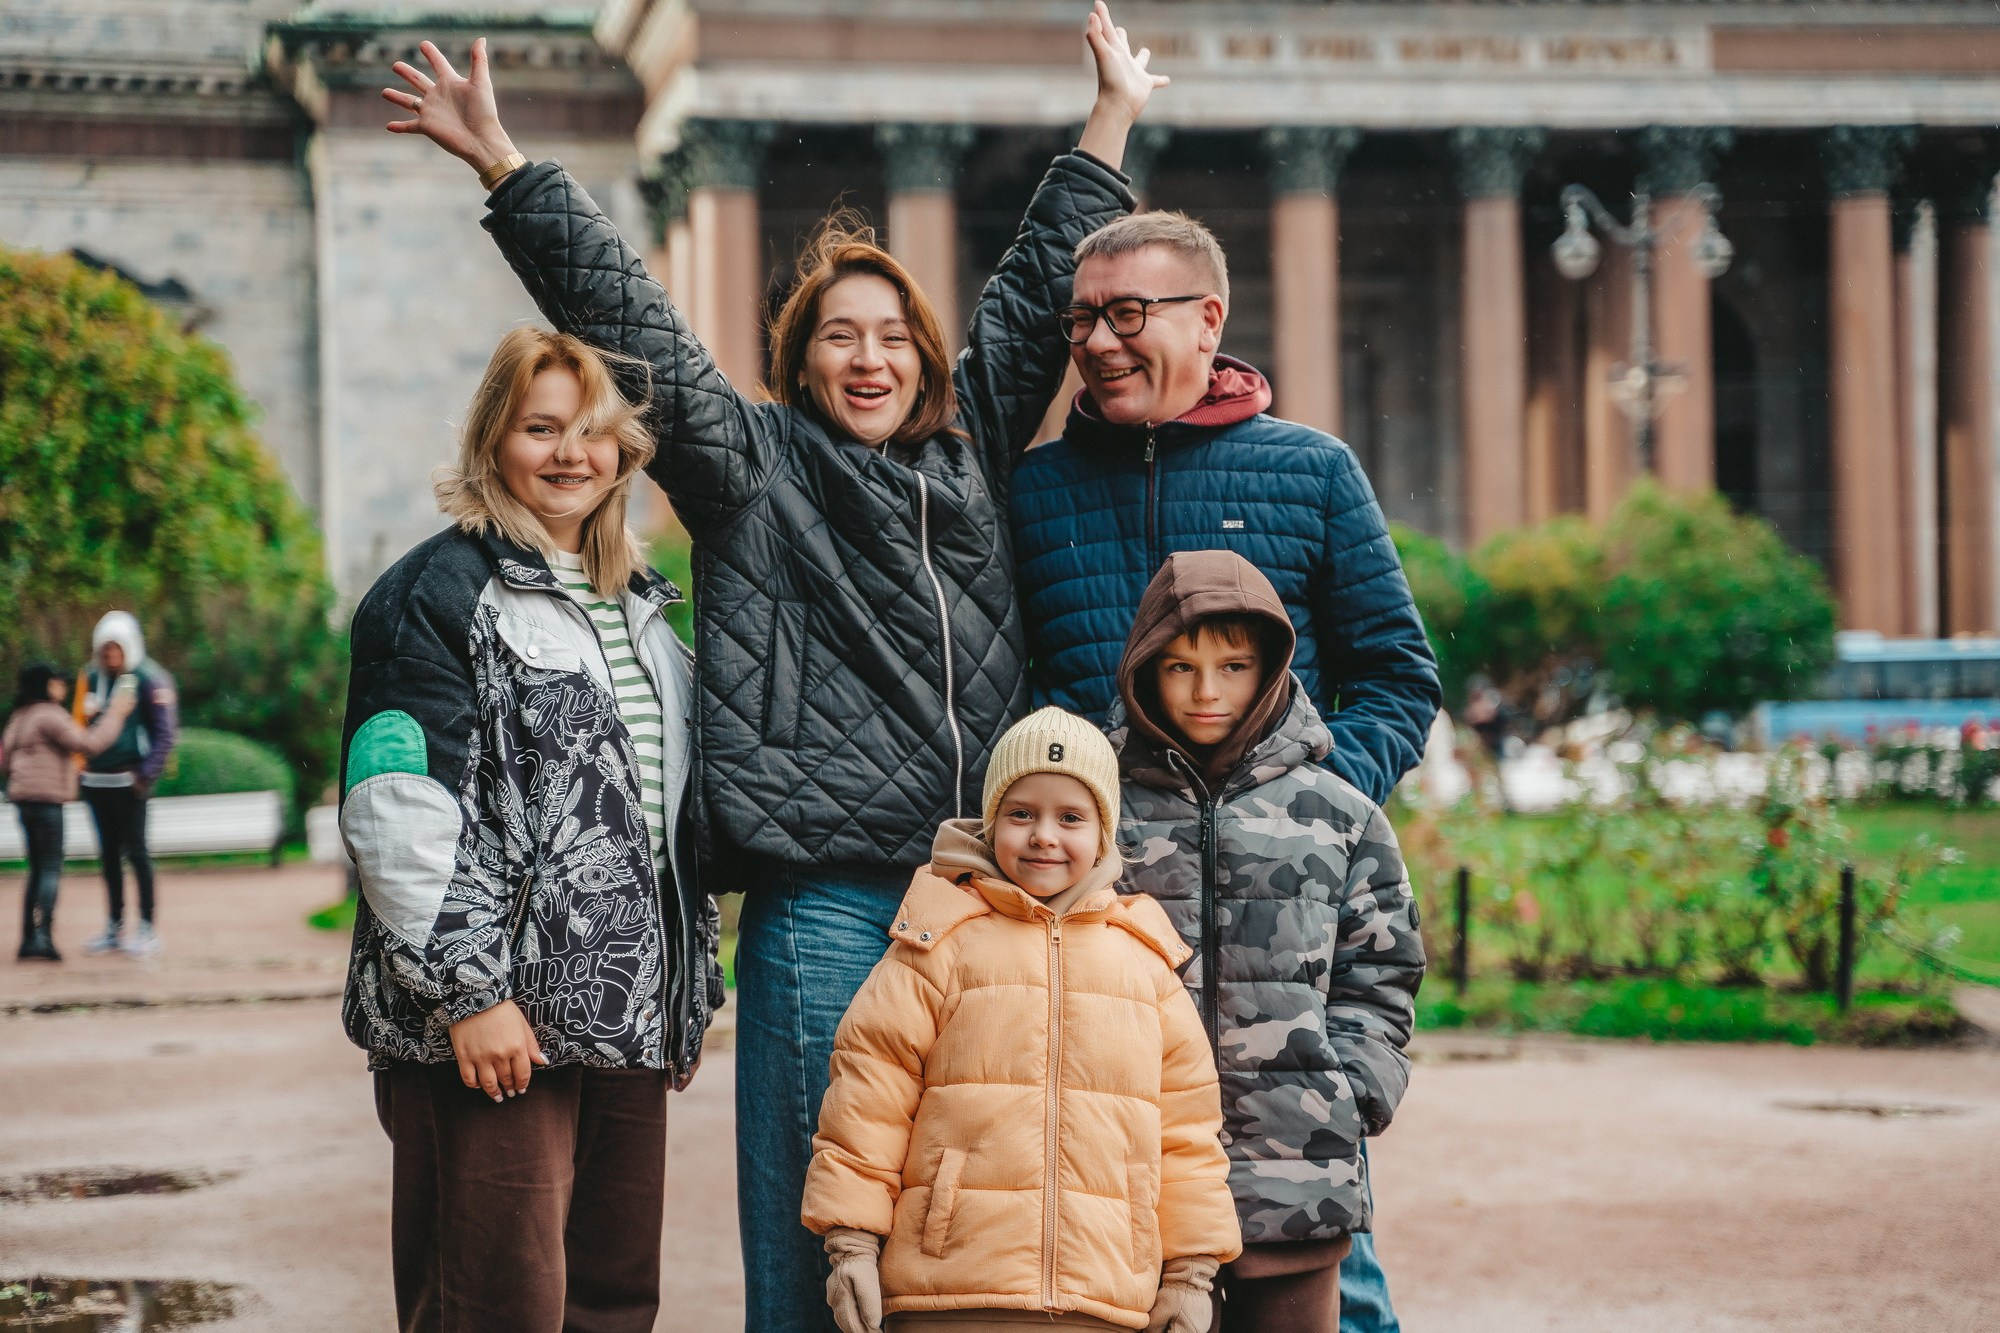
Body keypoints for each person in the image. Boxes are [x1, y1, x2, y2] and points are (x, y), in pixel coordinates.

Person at [381, 6, 1163, 1325]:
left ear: (925, 354)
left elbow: (1034, 284)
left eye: (891, 336)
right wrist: (505, 167)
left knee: (946, 1218)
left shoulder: (966, 456)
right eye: (838, 337)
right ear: (800, 362)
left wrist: (1113, 115)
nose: (869, 358)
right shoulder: (750, 471)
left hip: (973, 891)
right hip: (826, 902)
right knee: (813, 1225)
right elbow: (624, 315)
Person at [1010, 211, 1441, 1330]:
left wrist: (1311, 812)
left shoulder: (1308, 470)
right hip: (1103, 967)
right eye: (1082, 317)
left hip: (1273, 992)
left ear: (1209, 321)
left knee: (1318, 1275)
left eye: (1127, 312)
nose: (1098, 340)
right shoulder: (1035, 488)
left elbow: (1396, 672)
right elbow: (1007, 697)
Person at [338, 327, 715, 1333]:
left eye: (591, 432)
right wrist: (472, 993)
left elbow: (658, 818)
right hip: (494, 1025)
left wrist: (685, 988)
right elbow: (398, 808)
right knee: (494, 1304)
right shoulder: (439, 593)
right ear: (490, 441)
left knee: (611, 1300)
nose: (568, 454)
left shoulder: (634, 603)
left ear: (623, 452)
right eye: (539, 427)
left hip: (621, 1020)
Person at [803, 707, 1241, 1333]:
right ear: (990, 822)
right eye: (1021, 813)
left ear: (1103, 833)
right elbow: (868, 1097)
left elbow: (1188, 1136)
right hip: (949, 1289)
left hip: (1104, 1295)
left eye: (1070, 817)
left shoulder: (1145, 964)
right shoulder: (938, 942)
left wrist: (1191, 1274)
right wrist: (850, 1243)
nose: (1044, 835)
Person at [1109, 551, 1425, 1333]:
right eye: (1179, 666)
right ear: (1146, 668)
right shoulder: (1100, 808)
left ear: (1272, 665)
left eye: (1233, 664)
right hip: (1136, 1185)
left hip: (1297, 1182)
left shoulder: (1341, 816)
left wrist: (1348, 1095)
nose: (1206, 690)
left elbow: (1382, 973)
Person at [2, 662, 135, 960]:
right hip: (48, 801)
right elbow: (90, 744)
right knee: (50, 868)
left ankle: (27, 937)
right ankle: (44, 937)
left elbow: (6, 760)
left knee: (36, 869)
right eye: (57, 681)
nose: (63, 686)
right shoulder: (50, 715)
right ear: (44, 686)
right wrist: (116, 714)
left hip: (23, 802)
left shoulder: (19, 717)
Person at [73, 611, 179, 958]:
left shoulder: (149, 678)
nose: (109, 657)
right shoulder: (89, 677)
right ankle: (114, 926)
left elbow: (164, 732)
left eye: (115, 649)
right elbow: (77, 722)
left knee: (137, 853)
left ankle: (147, 926)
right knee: (108, 857)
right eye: (104, 650)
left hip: (129, 782)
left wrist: (146, 773)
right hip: (96, 782)